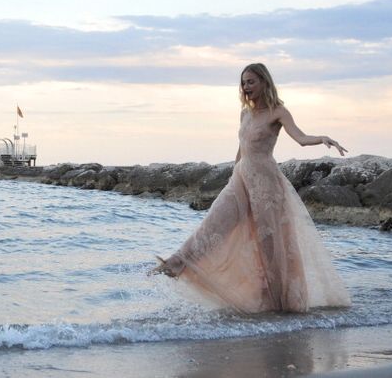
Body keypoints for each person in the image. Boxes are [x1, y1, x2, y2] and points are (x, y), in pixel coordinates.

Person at [150, 63, 351, 313]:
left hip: (267, 186)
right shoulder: (245, 113)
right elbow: (241, 148)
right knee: (213, 223)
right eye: (244, 83)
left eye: (251, 82)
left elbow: (300, 138)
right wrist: (233, 176)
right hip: (240, 180)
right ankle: (177, 263)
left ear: (264, 82)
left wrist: (321, 138)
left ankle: (280, 305)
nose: (246, 87)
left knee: (270, 249)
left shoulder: (278, 112)